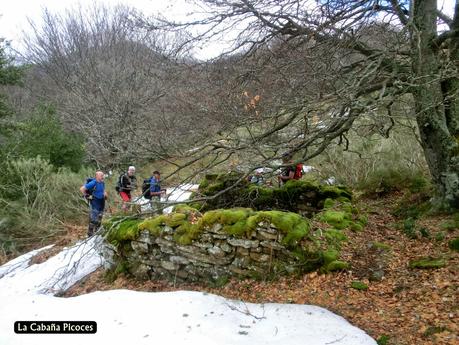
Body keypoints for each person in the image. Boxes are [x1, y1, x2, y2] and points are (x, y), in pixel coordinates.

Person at [80, 171, 108, 237]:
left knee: (100, 216)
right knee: (94, 218)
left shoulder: (102, 183)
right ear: (97, 176)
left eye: (103, 175)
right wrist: (87, 196)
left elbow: (103, 190)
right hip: (95, 201)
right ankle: (90, 234)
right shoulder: (93, 183)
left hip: (102, 201)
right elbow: (82, 189)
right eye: (101, 175)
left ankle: (97, 232)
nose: (103, 176)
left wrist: (105, 195)